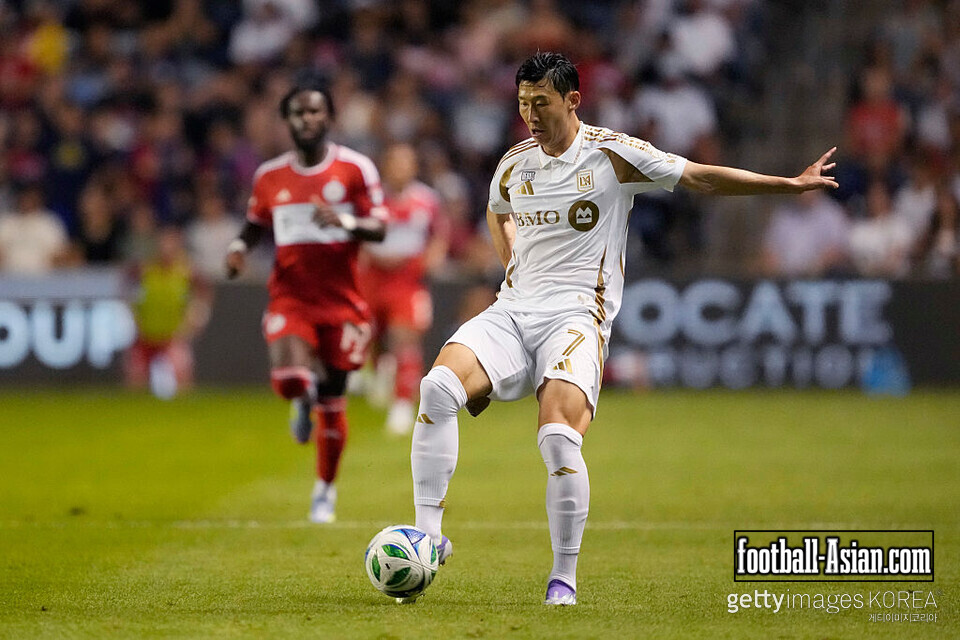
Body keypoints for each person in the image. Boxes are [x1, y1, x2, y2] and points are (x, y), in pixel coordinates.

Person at [407, 52, 838, 606]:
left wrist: (788, 184)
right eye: (522, 104)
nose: (531, 115)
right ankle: (429, 536)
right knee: (437, 388)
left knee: (558, 439)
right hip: (513, 311)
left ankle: (563, 578)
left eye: (541, 102)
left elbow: (700, 177)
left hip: (576, 317)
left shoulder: (613, 156)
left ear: (572, 100)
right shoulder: (515, 163)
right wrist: (509, 257)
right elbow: (497, 208)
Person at [224, 77, 387, 524]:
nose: (307, 119)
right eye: (298, 112)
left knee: (334, 403)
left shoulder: (355, 169)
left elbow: (380, 227)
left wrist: (347, 220)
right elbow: (255, 222)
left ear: (329, 117)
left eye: (315, 111)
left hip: (343, 303)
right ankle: (301, 397)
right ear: (287, 121)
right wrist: (239, 248)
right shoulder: (270, 176)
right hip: (291, 298)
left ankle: (325, 491)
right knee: (293, 378)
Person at [359, 142, 449, 435]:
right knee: (371, 337)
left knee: (405, 338)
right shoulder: (369, 200)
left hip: (407, 278)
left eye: (405, 162)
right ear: (386, 166)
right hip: (373, 275)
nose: (400, 168)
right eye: (394, 162)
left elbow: (439, 233)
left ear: (413, 167)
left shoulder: (427, 200)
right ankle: (381, 368)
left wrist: (432, 259)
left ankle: (402, 406)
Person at [126, 226, 212, 399]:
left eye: (171, 242)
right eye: (163, 242)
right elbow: (126, 288)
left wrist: (197, 317)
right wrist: (133, 316)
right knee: (135, 382)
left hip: (174, 335)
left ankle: (185, 420)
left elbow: (204, 293)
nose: (166, 247)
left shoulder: (187, 270)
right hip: (146, 333)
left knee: (182, 381)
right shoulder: (146, 268)